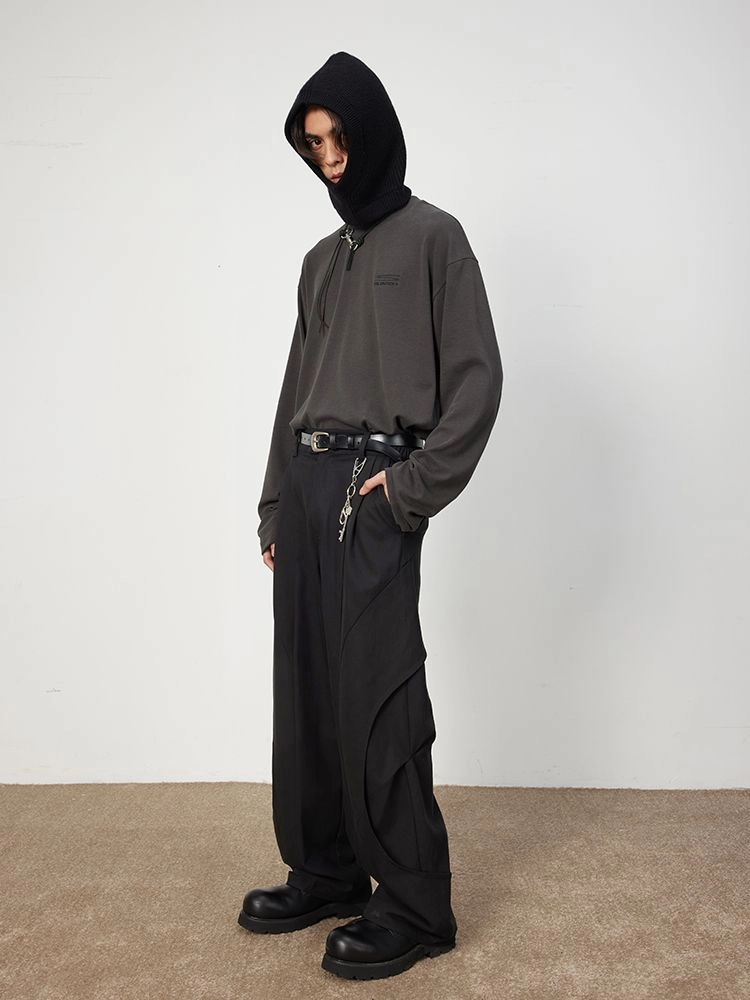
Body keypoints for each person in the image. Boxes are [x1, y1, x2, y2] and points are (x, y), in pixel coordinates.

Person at [237, 51, 503, 981]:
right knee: (307, 692)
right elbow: (294, 392)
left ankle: (418, 905)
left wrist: (412, 489)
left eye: (339, 137)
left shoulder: (436, 239)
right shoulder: (320, 261)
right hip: (310, 492)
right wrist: (276, 506)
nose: (330, 158)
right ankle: (328, 869)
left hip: (376, 491)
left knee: (380, 696)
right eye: (314, 145)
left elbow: (477, 383)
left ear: (374, 130)